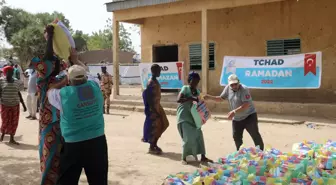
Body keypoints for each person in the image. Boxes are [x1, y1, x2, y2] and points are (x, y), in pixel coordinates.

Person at [47, 65, 108, 185]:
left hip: (73, 144)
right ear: (85, 78)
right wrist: (76, 62)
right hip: (97, 141)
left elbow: (50, 91)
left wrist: (64, 81)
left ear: (69, 80)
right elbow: (90, 76)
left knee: (67, 180)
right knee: (99, 180)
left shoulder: (63, 94)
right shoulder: (95, 86)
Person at [29, 24, 68, 185]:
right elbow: (56, 58)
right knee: (61, 153)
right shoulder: (61, 70)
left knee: (47, 152)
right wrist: (52, 37)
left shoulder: (42, 70)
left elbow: (44, 59)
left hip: (47, 120)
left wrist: (50, 37)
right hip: (60, 118)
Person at [204, 74, 264, 151]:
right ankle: (240, 154)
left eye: (236, 84)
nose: (234, 86)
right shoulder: (227, 88)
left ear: (239, 82)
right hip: (237, 118)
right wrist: (209, 97)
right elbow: (221, 98)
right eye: (232, 85)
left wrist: (234, 111)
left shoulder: (244, 89)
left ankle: (260, 153)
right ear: (229, 84)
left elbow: (246, 104)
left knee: (255, 135)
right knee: (236, 137)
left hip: (249, 116)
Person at [176, 72, 213, 165]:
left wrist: (205, 113)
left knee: (199, 136)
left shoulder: (197, 91)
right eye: (193, 81)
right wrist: (190, 98)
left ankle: (203, 157)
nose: (195, 83)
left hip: (194, 117)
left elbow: (200, 102)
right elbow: (178, 100)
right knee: (188, 138)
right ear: (189, 81)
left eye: (197, 81)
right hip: (184, 116)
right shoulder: (185, 88)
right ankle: (184, 158)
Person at [141, 64, 169, 154]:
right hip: (153, 108)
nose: (159, 72)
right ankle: (152, 146)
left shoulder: (155, 81)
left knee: (164, 124)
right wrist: (153, 110)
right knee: (155, 126)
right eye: (158, 71)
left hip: (157, 106)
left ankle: (154, 144)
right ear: (154, 71)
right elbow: (148, 98)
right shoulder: (151, 83)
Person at [0, 66, 27, 144]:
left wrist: (23, 105)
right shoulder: (1, 81)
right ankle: (2, 135)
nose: (10, 73)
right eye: (8, 72)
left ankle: (11, 138)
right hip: (5, 104)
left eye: (11, 72)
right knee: (5, 121)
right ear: (5, 73)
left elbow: (18, 93)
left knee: (14, 122)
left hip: (15, 105)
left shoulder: (16, 81)